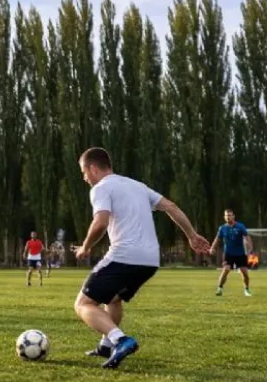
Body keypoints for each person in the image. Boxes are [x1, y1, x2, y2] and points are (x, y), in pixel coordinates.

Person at [71, 148, 211, 369]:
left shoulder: (101, 188)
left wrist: (85, 247)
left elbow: (100, 222)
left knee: (83, 304)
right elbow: (171, 207)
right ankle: (106, 346)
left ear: (93, 168)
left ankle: (120, 340)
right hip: (149, 261)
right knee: (113, 299)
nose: (84, 178)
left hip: (124, 256)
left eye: (83, 172)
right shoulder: (137, 186)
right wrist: (192, 235)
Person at [209, 209, 253, 297]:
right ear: (224, 217)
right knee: (226, 270)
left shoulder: (240, 226)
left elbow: (247, 237)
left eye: (229, 215)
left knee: (244, 273)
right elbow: (217, 239)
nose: (228, 217)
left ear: (233, 216)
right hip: (228, 254)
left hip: (240, 254)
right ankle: (219, 289)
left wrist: (250, 247)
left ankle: (246, 290)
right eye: (226, 215)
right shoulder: (222, 228)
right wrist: (212, 248)